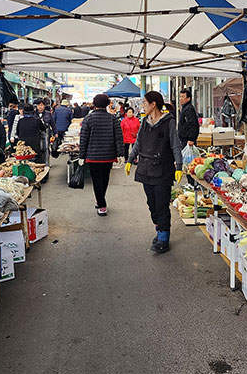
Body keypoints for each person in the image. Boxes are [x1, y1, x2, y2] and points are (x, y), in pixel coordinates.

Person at [126, 91, 183, 253]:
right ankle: (159, 230)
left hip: (163, 170)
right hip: (145, 168)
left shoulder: (169, 122)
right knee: (151, 204)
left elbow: (175, 145)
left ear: (153, 104)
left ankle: (164, 238)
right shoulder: (144, 121)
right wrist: (130, 159)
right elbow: (138, 143)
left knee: (162, 205)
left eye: (144, 103)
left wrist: (178, 166)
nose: (142, 106)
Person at [78, 94, 124, 217]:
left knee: (96, 180)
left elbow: (83, 139)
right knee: (104, 179)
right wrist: (120, 154)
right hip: (108, 155)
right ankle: (100, 200)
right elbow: (119, 137)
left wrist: (81, 156)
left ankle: (101, 204)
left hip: (93, 156)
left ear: (94, 104)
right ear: (107, 104)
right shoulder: (112, 119)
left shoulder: (88, 119)